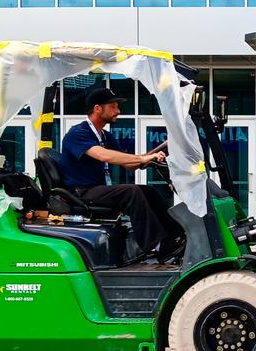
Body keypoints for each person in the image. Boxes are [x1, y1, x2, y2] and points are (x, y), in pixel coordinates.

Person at [58, 86, 178, 257]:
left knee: (147, 190)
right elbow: (102, 155)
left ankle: (175, 236)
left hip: (96, 190)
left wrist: (151, 156)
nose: (118, 111)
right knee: (132, 192)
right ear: (97, 108)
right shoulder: (78, 133)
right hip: (80, 192)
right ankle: (155, 245)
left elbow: (128, 164)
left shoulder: (106, 136)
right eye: (113, 106)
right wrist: (141, 159)